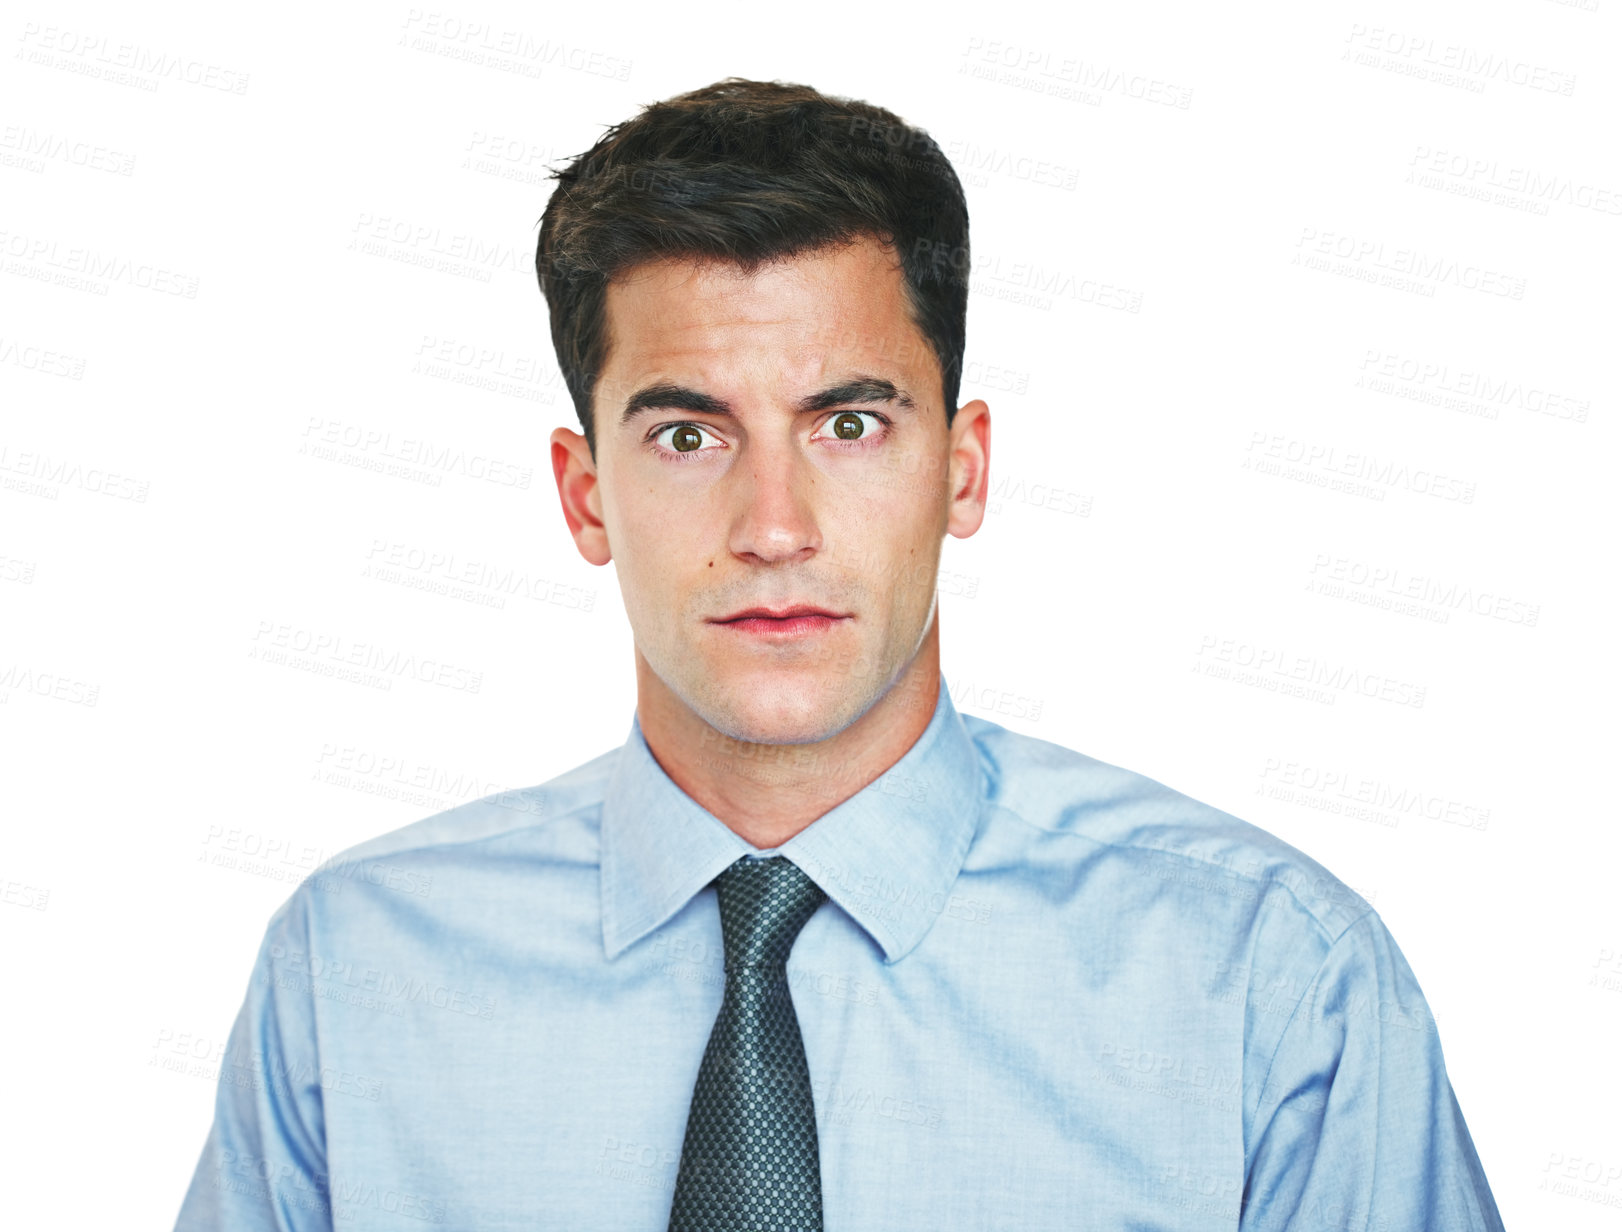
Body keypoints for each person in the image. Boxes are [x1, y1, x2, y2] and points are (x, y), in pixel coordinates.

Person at [173, 78, 1505, 1231]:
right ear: (585, 495)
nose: (772, 527)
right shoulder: (357, 971)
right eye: (688, 436)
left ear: (962, 468)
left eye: (848, 425)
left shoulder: (1261, 976)